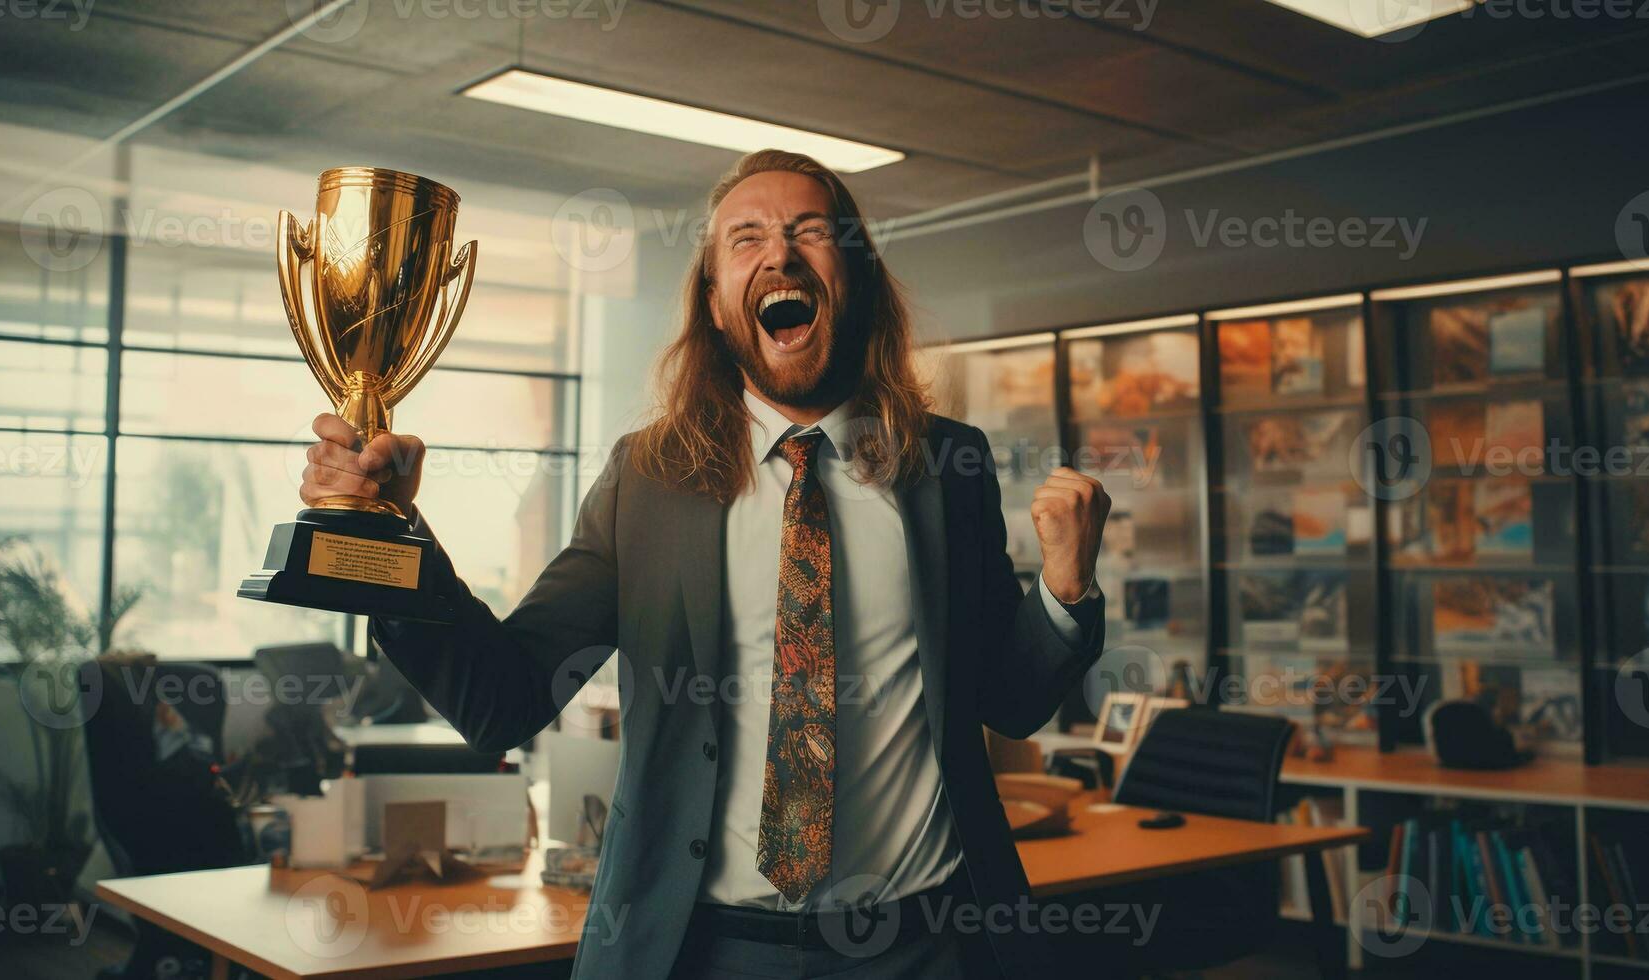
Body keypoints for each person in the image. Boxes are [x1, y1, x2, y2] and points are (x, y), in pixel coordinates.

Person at [298, 149, 1111, 978]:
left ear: (857, 280)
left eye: (808, 233)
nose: (779, 255)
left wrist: (1064, 590)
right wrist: (389, 533)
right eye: (745, 239)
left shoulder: (944, 468)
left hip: (926, 946)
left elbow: (1008, 700)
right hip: (704, 953)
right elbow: (502, 698)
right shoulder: (647, 480)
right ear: (717, 306)